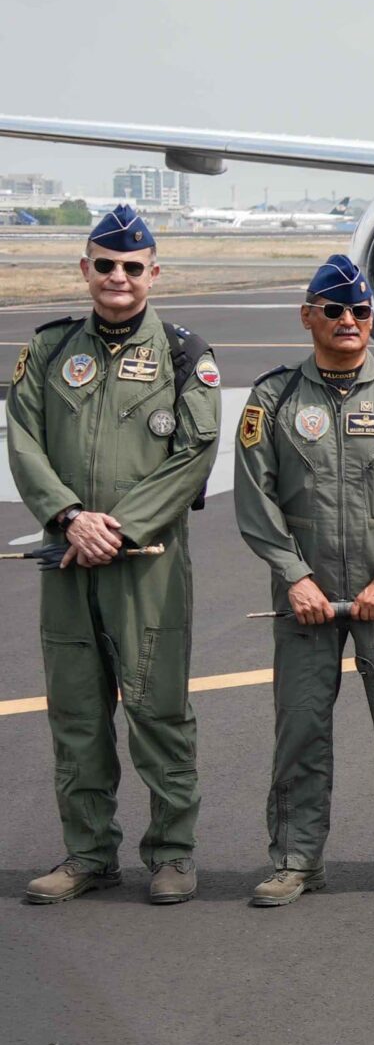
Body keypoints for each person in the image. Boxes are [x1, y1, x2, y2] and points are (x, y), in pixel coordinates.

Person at [9, 205, 222, 906]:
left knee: (158, 712)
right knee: (76, 715)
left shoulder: (185, 355)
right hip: (67, 559)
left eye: (133, 266)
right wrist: (71, 518)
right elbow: (23, 439)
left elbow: (195, 453)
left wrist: (119, 529)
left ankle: (172, 853)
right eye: (106, 265)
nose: (118, 277)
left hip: (148, 565)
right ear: (86, 270)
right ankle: (89, 854)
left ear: (154, 273)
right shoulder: (48, 350)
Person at [232, 255, 374, 906]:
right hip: (303, 595)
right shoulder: (273, 398)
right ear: (308, 316)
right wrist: (293, 576)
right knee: (300, 729)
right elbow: (255, 497)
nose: (348, 321)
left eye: (359, 311)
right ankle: (296, 859)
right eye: (333, 310)